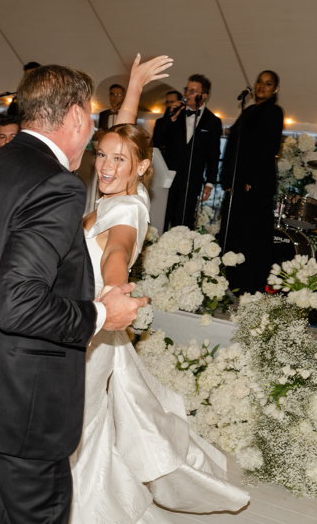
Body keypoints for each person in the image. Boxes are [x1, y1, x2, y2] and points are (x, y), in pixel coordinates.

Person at [0, 61, 149, 524]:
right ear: (76, 117)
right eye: (93, 119)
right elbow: (17, 301)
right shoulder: (56, 184)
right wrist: (101, 316)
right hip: (21, 403)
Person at [70, 59, 249, 524]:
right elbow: (125, 132)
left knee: (78, 424)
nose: (106, 166)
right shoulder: (113, 193)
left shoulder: (125, 212)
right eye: (102, 156)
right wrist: (133, 86)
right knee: (85, 422)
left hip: (97, 326)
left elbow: (118, 252)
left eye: (118, 160)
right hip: (87, 325)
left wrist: (111, 295)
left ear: (142, 167)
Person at [218, 70, 285, 294]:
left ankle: (250, 285)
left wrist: (248, 178)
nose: (262, 86)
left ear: (275, 89)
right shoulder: (248, 110)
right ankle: (231, 281)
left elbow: (268, 148)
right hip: (238, 183)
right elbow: (233, 147)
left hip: (256, 184)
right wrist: (227, 178)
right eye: (259, 82)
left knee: (252, 236)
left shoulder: (274, 111)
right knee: (233, 232)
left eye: (268, 84)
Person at [153, 74, 222, 230]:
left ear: (203, 96)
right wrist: (171, 119)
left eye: (192, 91)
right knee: (163, 219)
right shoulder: (175, 112)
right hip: (169, 177)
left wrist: (210, 183)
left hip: (192, 180)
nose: (186, 94)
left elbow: (213, 154)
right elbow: (158, 140)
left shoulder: (213, 121)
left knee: (183, 223)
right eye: (186, 89)